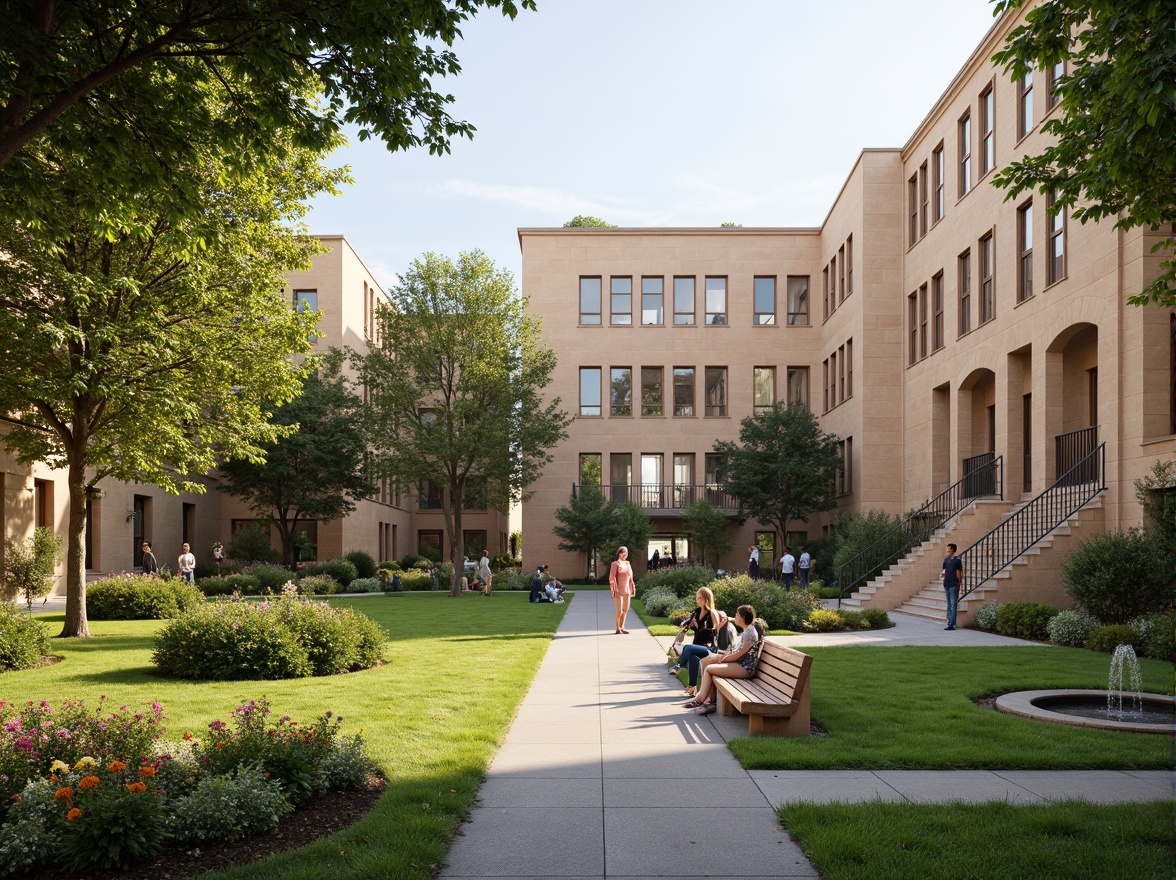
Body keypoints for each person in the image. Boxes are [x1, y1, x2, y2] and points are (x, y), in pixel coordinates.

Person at [682, 605, 764, 716]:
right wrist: (722, 657)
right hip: (739, 663)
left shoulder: (750, 632)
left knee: (709, 669)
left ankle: (702, 700)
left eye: (737, 614)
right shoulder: (748, 629)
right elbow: (737, 653)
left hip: (744, 668)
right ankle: (708, 700)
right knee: (706, 661)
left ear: (743, 617)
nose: (735, 616)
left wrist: (723, 659)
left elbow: (738, 655)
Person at [670, 587, 720, 697]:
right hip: (697, 645)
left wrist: (700, 627)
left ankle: (678, 666)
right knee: (692, 655)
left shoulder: (712, 613)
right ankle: (692, 687)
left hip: (710, 648)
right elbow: (689, 627)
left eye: (700, 598)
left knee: (688, 648)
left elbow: (716, 632)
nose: (698, 600)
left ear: (707, 599)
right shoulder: (697, 612)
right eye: (697, 598)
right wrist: (687, 626)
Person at [609, 546, 635, 634]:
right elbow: (611, 578)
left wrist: (632, 588)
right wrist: (612, 590)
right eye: (622, 552)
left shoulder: (628, 564)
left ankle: (622, 627)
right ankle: (617, 628)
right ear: (619, 554)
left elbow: (630, 577)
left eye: (626, 553)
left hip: (627, 591)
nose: (624, 554)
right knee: (619, 611)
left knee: (625, 611)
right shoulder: (615, 564)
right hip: (618, 591)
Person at [941, 543, 964, 631]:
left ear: (952, 550)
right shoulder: (946, 560)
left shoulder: (957, 560)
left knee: (953, 604)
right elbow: (944, 570)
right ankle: (949, 621)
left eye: (948, 549)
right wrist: (942, 575)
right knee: (949, 604)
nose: (947, 551)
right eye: (946, 549)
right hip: (946, 584)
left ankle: (952, 624)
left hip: (954, 585)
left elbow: (958, 573)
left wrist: (960, 585)